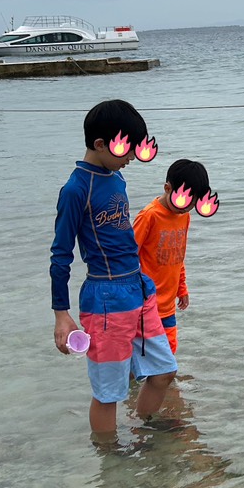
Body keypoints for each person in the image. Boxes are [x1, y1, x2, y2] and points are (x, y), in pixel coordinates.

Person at [50, 99, 177, 436]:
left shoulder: (115, 178)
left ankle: (141, 431)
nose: (132, 158)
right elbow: (60, 254)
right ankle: (111, 463)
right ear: (101, 144)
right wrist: (61, 313)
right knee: (108, 394)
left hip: (138, 290)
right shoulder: (76, 189)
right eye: (126, 151)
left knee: (163, 372)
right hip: (105, 299)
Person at [133, 158, 214, 355]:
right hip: (144, 303)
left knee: (168, 353)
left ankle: (158, 386)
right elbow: (127, 255)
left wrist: (182, 287)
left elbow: (179, 255)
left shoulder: (184, 216)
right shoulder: (149, 216)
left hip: (168, 304)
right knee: (144, 356)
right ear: (168, 188)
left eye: (193, 203)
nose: (187, 208)